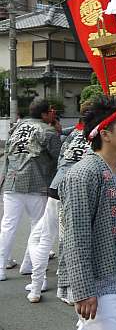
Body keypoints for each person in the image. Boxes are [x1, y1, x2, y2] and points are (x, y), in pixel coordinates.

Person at [59, 95, 116, 330]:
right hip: (99, 288)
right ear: (105, 134)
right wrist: (83, 289)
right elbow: (75, 236)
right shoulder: (84, 173)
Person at [28, 101, 91, 303]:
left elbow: (61, 147)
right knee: (68, 241)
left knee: (44, 238)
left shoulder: (73, 134)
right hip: (75, 190)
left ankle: (35, 289)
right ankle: (71, 291)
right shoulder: (102, 136)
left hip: (56, 186)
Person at [0, 97, 61, 283]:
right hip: (37, 183)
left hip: (12, 181)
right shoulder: (47, 131)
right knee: (37, 227)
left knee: (8, 226)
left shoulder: (16, 128)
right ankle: (29, 266)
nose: (52, 113)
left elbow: (7, 155)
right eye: (50, 111)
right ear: (44, 114)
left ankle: (1, 268)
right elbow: (58, 157)